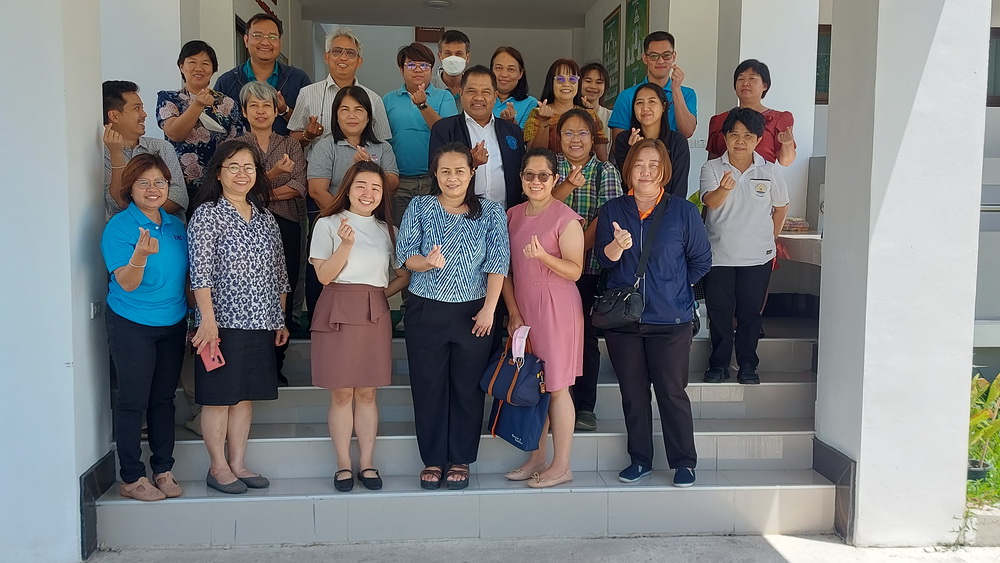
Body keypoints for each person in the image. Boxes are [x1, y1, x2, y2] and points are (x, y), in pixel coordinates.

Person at [596, 138, 712, 487]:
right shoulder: (613, 210)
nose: (645, 171)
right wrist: (616, 246)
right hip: (624, 321)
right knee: (633, 394)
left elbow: (702, 261)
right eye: (639, 164)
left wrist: (672, 289)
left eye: (653, 165)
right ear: (628, 169)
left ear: (664, 171)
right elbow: (604, 261)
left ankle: (684, 462)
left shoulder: (683, 212)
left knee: (672, 392)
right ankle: (640, 459)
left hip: (671, 321)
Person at [395, 142, 509, 490]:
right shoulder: (420, 206)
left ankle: (460, 458)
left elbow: (498, 262)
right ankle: (432, 459)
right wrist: (426, 263)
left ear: (472, 173)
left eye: (460, 170)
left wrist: (490, 309)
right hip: (426, 309)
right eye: (445, 171)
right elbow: (405, 255)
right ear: (435, 174)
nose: (452, 177)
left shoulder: (490, 211)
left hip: (474, 313)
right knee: (428, 387)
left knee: (467, 388)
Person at [187, 140, 290, 495]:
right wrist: (207, 320)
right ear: (219, 173)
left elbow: (279, 273)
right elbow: (200, 273)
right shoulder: (208, 214)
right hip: (220, 323)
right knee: (219, 397)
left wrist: (279, 318)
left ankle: (238, 462)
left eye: (248, 167)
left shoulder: (265, 218)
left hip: (260, 321)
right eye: (233, 167)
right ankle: (217, 467)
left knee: (244, 396)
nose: (242, 174)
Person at [310, 161, 410, 493]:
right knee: (341, 392)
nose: (368, 193)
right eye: (361, 186)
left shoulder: (389, 230)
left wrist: (377, 297)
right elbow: (324, 276)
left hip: (373, 312)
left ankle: (367, 462)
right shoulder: (327, 223)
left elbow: (403, 275)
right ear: (348, 189)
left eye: (376, 188)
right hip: (336, 305)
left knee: (368, 392)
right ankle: (343, 463)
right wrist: (346, 245)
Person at [101, 154, 189, 502]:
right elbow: (126, 283)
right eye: (144, 183)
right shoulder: (120, 227)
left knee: (163, 400)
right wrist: (138, 257)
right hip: (131, 322)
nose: (153, 189)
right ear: (130, 188)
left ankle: (163, 470)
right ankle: (132, 478)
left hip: (173, 322)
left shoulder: (176, 226)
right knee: (133, 400)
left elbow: (186, 278)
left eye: (159, 182)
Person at [501, 147, 585, 488]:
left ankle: (562, 465)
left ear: (555, 179)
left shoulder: (566, 218)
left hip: (556, 308)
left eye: (543, 175)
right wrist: (513, 311)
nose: (536, 181)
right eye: (529, 175)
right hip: (525, 310)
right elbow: (503, 269)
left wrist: (543, 256)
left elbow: (575, 270)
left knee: (557, 387)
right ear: (521, 179)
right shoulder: (512, 215)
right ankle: (536, 458)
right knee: (533, 383)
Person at [700, 108, 789, 385]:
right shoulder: (712, 168)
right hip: (719, 256)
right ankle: (718, 365)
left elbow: (781, 207)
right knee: (720, 314)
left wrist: (770, 238)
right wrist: (724, 189)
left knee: (750, 314)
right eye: (734, 134)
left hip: (757, 257)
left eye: (748, 136)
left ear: (758, 139)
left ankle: (748, 365)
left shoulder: (769, 170)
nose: (740, 141)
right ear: (725, 137)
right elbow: (711, 202)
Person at [550, 109, 624, 432]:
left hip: (587, 268)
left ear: (594, 138)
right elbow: (541, 206)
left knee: (585, 337)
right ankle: (550, 404)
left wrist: (574, 253)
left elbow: (606, 217)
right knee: (550, 334)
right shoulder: (549, 167)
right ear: (559, 137)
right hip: (547, 267)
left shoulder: (605, 171)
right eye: (568, 133)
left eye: (583, 133)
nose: (575, 139)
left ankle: (584, 406)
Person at [306, 86, 400, 317]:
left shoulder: (382, 147)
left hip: (373, 223)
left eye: (358, 110)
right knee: (324, 285)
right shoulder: (326, 145)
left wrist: (370, 165)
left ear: (368, 116)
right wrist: (345, 219)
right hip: (335, 224)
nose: (351, 115)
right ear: (336, 115)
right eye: (344, 109)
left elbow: (392, 185)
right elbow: (317, 190)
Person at [236, 82, 306, 386]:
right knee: (250, 288)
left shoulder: (291, 144)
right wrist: (275, 176)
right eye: (253, 106)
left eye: (266, 105)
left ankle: (276, 363)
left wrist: (258, 194)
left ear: (276, 110)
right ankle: (251, 362)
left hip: (286, 222)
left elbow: (298, 186)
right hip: (244, 224)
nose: (261, 111)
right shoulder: (236, 146)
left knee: (283, 288)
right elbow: (235, 184)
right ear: (244, 111)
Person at [429, 65, 526, 210]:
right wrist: (470, 163)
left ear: (495, 96)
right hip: (459, 214)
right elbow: (434, 172)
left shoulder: (512, 131)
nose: (478, 97)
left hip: (507, 214)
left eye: (486, 92)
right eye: (471, 91)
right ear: (461, 93)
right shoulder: (444, 129)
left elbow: (522, 173)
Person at [384, 43, 459, 225]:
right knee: (400, 232)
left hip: (433, 180)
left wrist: (423, 106)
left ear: (431, 69)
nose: (418, 69)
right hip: (399, 182)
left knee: (434, 232)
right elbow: (382, 139)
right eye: (411, 65)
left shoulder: (444, 97)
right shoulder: (388, 99)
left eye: (424, 65)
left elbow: (447, 133)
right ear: (401, 69)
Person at [157, 40, 244, 195]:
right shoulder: (169, 98)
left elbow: (236, 145)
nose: (199, 68)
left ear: (213, 69)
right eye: (192, 62)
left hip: (219, 185)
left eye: (205, 63)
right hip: (179, 184)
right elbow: (174, 133)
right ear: (181, 67)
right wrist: (198, 105)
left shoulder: (228, 103)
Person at [288, 27, 392, 149]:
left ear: (359, 62)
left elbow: (383, 145)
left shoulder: (373, 99)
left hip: (362, 161)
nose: (343, 57)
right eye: (337, 51)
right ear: (327, 57)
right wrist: (308, 135)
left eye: (350, 53)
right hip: (320, 161)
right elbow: (292, 141)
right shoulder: (307, 93)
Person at [214, 13, 311, 137]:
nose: (265, 42)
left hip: (286, 149)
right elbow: (217, 127)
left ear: (280, 42)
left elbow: (309, 126)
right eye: (258, 36)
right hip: (239, 149)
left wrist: (285, 110)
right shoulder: (226, 82)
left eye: (272, 37)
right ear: (246, 40)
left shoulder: (298, 79)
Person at [102, 81, 187, 221]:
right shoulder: (101, 154)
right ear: (114, 116)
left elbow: (179, 197)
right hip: (127, 232)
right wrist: (116, 154)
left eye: (142, 108)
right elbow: (119, 203)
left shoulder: (162, 147)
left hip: (168, 230)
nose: (144, 114)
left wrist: (141, 218)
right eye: (137, 108)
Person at [608, 31, 697, 143]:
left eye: (666, 55)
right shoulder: (627, 96)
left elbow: (687, 132)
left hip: (675, 153)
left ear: (673, 56)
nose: (660, 61)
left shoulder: (687, 94)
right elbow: (618, 144)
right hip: (636, 153)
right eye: (654, 56)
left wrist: (676, 89)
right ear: (645, 59)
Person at [707, 59, 796, 166]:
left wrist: (788, 143)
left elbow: (785, 161)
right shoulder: (719, 120)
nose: (745, 83)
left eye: (752, 78)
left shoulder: (779, 119)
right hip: (726, 176)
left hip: (763, 175)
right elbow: (712, 161)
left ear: (764, 85)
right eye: (740, 79)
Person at [612, 83, 690, 198]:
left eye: (651, 101)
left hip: (670, 206)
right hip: (632, 206)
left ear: (663, 106)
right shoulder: (624, 139)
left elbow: (679, 187)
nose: (645, 108)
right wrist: (633, 152)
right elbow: (626, 182)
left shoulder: (677, 142)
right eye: (639, 103)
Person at [523, 59, 609, 161]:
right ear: (551, 82)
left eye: (572, 79)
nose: (566, 84)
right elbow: (534, 156)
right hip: (548, 171)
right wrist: (544, 123)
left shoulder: (590, 114)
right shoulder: (538, 113)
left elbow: (602, 160)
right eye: (560, 79)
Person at [491, 46, 538, 129]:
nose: (504, 74)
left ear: (520, 73)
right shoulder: (481, 99)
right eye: (499, 68)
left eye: (511, 69)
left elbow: (524, 136)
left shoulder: (530, 103)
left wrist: (512, 122)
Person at [431, 29, 471, 101]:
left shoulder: (473, 88)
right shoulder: (428, 87)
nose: (453, 59)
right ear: (440, 57)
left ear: (467, 58)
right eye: (448, 53)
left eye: (458, 54)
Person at [579, 62, 612, 143]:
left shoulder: (611, 116)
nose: (593, 86)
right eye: (588, 81)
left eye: (599, 82)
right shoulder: (570, 113)